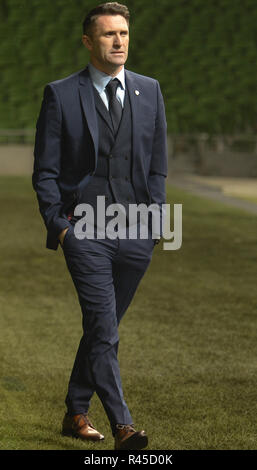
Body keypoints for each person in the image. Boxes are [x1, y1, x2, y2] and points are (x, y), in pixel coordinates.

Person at [32, 2, 167, 450]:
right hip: (84, 227)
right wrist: (60, 224)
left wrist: (154, 222)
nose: (118, 41)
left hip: (136, 228)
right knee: (105, 329)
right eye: (109, 34)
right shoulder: (61, 93)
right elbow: (46, 171)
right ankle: (124, 426)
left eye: (124, 34)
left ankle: (75, 410)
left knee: (99, 328)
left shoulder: (150, 91)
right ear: (89, 41)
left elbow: (157, 168)